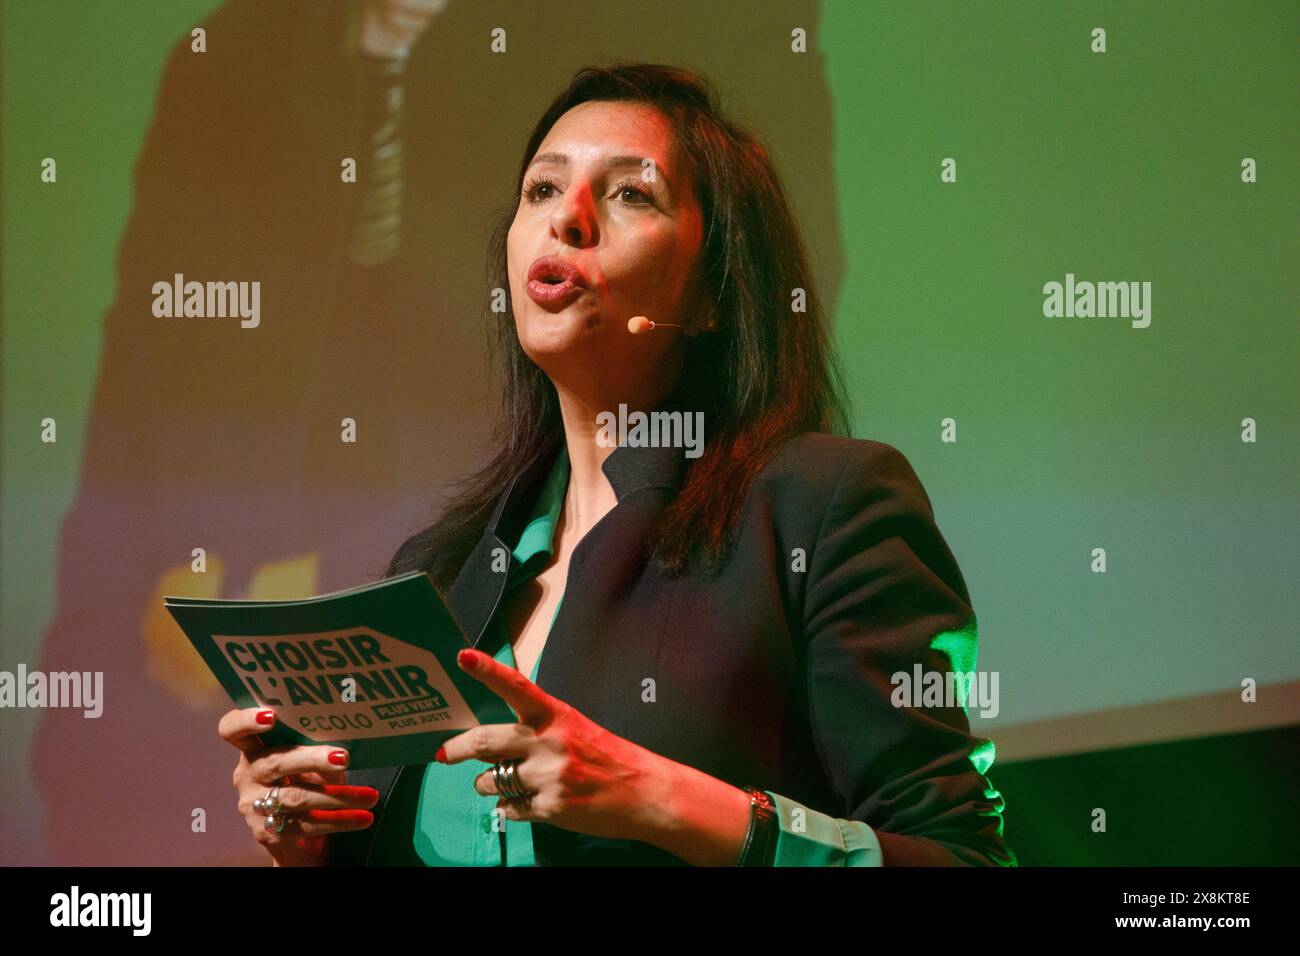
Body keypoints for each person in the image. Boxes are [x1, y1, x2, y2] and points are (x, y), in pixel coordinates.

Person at [219, 61, 1016, 867]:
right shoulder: (441, 571)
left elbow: (965, 860)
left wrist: (660, 798)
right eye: (540, 190)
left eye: (631, 194)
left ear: (712, 294)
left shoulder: (822, 505)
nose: (565, 218)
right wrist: (310, 842)